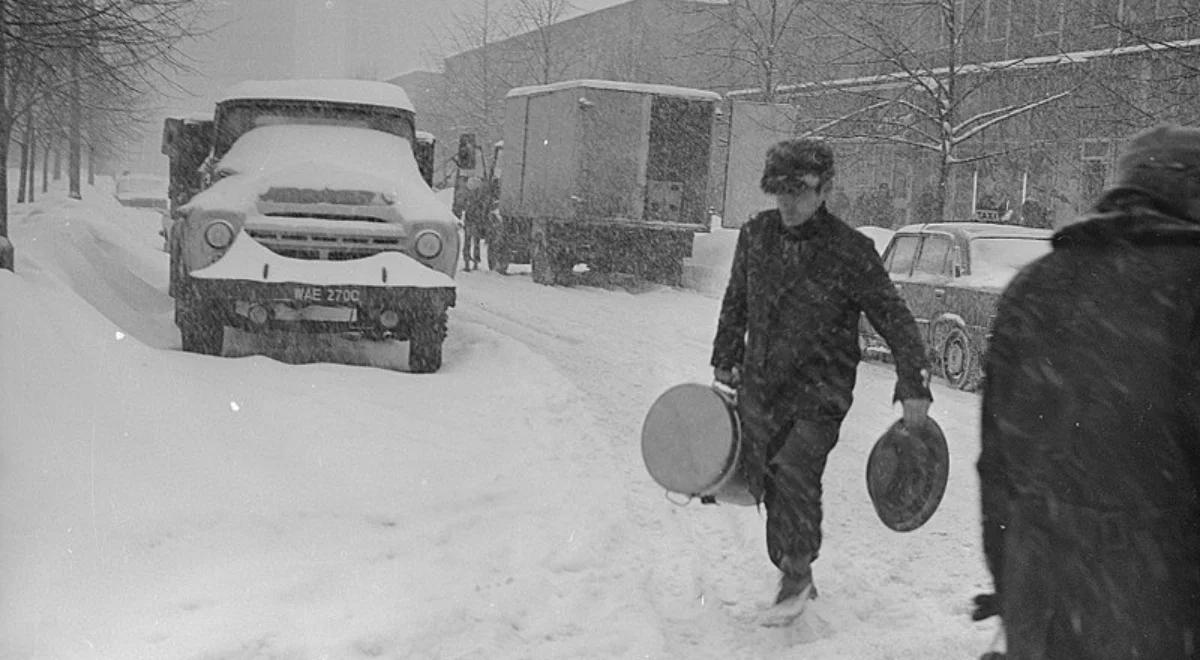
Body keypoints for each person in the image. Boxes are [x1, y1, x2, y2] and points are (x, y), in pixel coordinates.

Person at [975, 124, 1200, 659]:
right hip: (1161, 602)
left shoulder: (1033, 286)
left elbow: (998, 466)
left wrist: (1014, 584)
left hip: (1043, 592)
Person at [710, 138, 933, 624]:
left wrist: (913, 383)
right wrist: (725, 358)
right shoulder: (756, 236)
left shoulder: (851, 251)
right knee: (769, 478)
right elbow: (736, 302)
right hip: (762, 385)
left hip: (821, 392)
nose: (787, 203)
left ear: (825, 189)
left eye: (798, 191)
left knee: (795, 469)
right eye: (779, 192)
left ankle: (796, 570)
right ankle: (790, 559)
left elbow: (892, 316)